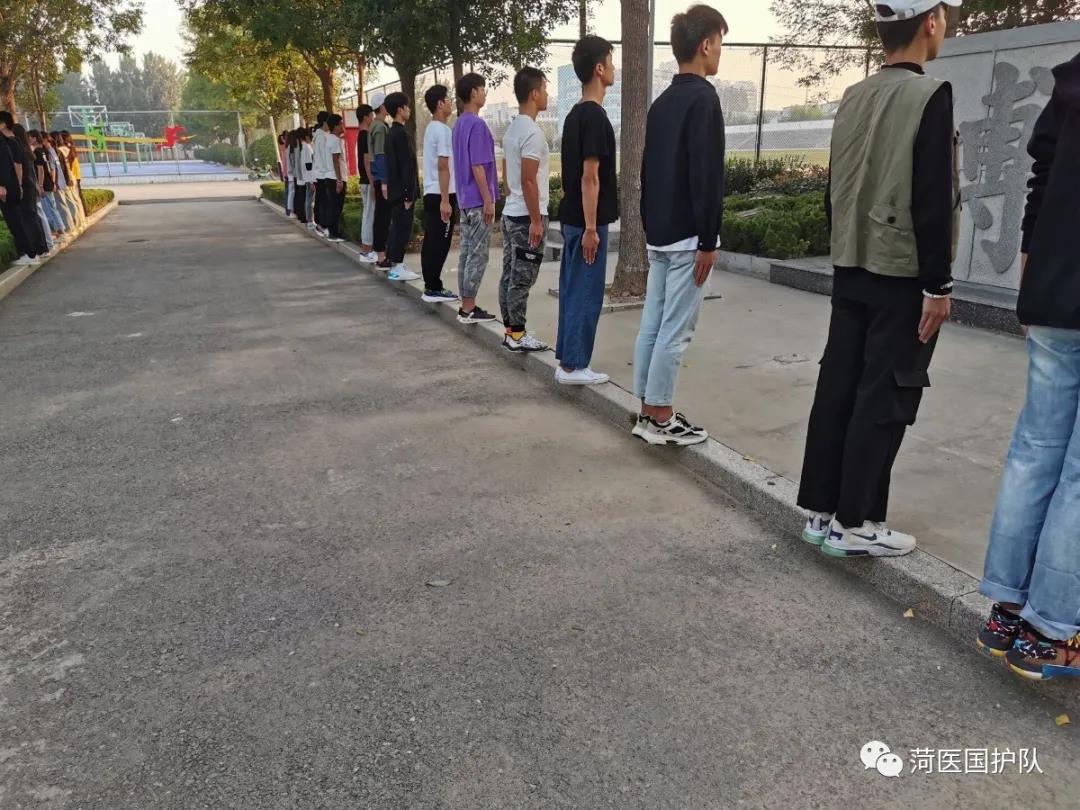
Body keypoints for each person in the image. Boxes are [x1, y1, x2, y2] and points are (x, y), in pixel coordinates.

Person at [796, 0, 959, 558]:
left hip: (850, 263)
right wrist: (938, 285)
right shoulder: (929, 95)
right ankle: (856, 521)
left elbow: (834, 190)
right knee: (885, 393)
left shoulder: (853, 94)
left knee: (839, 386)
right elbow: (933, 196)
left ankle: (821, 512)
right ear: (930, 22)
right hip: (900, 273)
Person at [976, 50, 1080, 681]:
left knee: (1035, 449)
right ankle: (1051, 631)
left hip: (1053, 289)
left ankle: (1007, 610)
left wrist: (1031, 267)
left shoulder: (1070, 83)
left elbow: (1040, 175)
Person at [631, 6, 727, 445]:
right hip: (689, 237)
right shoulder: (704, 99)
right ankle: (662, 417)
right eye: (719, 42)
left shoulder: (662, 104)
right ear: (705, 44)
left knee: (653, 324)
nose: (719, 51)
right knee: (676, 329)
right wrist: (708, 239)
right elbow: (706, 175)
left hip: (660, 234)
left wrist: (649, 225)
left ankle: (647, 412)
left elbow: (646, 172)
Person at [554, 36, 619, 385]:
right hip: (586, 223)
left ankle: (568, 360)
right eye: (610, 61)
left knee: (572, 289)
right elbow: (589, 177)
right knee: (586, 292)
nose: (613, 68)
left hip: (573, 219)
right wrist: (592, 228)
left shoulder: (574, 115)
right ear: (598, 69)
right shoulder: (593, 117)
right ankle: (574, 366)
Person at [498, 67, 552, 352]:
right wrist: (536, 220)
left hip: (512, 212)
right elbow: (528, 180)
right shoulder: (531, 133)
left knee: (510, 274)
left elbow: (509, 178)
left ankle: (511, 331)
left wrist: (516, 200)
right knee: (521, 278)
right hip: (524, 217)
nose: (547, 94)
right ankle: (517, 335)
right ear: (533, 94)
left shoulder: (513, 129)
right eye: (544, 89)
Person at [452, 73, 500, 324]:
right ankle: (469, 307)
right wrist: (488, 199)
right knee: (478, 254)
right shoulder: (477, 125)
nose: (484, 93)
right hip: (478, 199)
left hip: (464, 199)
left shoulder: (459, 124)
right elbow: (478, 166)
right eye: (482, 89)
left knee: (467, 252)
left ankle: (466, 304)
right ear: (473, 93)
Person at [419, 85, 459, 303]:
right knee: (439, 242)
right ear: (440, 104)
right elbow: (443, 166)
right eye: (448, 99)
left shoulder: (431, 129)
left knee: (432, 240)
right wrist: (445, 200)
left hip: (433, 192)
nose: (451, 103)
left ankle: (431, 285)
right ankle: (433, 287)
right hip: (441, 194)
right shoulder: (442, 130)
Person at [0, 113, 48, 265]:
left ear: (3, 124)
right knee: (31, 217)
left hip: (18, 187)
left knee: (22, 220)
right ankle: (40, 250)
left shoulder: (9, 143)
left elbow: (17, 165)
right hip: (26, 186)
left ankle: (31, 253)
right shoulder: (19, 143)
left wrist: (17, 185)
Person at [383, 92, 421, 281]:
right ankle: (397, 266)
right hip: (403, 193)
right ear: (400, 110)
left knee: (397, 226)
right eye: (407, 106)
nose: (409, 110)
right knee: (402, 228)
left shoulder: (392, 133)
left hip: (395, 190)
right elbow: (407, 167)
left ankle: (394, 263)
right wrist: (408, 194)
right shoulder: (402, 134)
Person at [368, 95, 393, 265]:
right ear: (382, 107)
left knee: (381, 216)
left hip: (378, 177)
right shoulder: (379, 127)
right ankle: (381, 256)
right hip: (382, 178)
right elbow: (380, 155)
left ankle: (381, 254)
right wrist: (384, 182)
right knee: (383, 217)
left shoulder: (376, 125)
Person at [318, 113, 347, 242]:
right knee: (336, 206)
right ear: (335, 126)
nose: (342, 126)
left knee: (333, 205)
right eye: (341, 124)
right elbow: (336, 160)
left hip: (330, 176)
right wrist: (339, 180)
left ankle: (334, 232)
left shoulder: (329, 139)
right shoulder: (335, 140)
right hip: (336, 178)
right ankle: (334, 233)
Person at [354, 104, 378, 262]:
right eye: (371, 115)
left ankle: (367, 249)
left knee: (368, 214)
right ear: (365, 117)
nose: (373, 118)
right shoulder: (365, 135)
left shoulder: (361, 135)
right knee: (369, 214)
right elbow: (366, 160)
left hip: (365, 180)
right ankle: (366, 250)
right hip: (368, 181)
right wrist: (372, 182)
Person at [311, 111, 330, 234]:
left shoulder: (318, 136)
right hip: (323, 173)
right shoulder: (322, 137)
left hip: (318, 173)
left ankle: (319, 223)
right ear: (324, 122)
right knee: (323, 200)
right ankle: (321, 224)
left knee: (320, 199)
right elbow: (324, 157)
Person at [60, 131, 87, 216]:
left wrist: (70, 176)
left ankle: (82, 214)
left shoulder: (66, 149)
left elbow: (69, 165)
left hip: (73, 175)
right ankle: (84, 213)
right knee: (79, 196)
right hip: (76, 175)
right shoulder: (71, 146)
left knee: (76, 197)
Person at [291, 128, 310, 225]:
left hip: (299, 175)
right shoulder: (303, 146)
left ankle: (301, 215)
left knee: (300, 196)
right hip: (303, 175)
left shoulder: (296, 145)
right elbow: (306, 163)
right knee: (303, 197)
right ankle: (303, 217)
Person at [285, 128, 298, 217]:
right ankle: (292, 211)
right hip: (293, 174)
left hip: (291, 173)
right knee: (292, 193)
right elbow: (293, 163)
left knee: (291, 193)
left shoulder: (288, 147)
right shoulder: (292, 148)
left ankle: (291, 211)